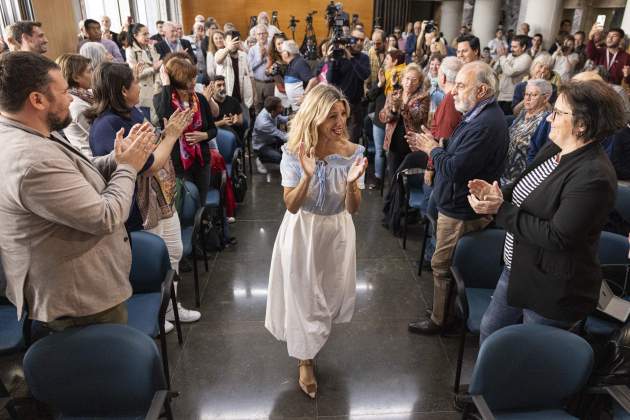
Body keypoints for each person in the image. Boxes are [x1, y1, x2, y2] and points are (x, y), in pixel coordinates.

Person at [0, 52, 155, 327]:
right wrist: (129, 167)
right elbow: (105, 216)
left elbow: (73, 173)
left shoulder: (28, 131)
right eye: (63, 91)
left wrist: (117, 159)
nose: (72, 98)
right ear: (37, 100)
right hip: (78, 296)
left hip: (80, 285)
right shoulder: (30, 160)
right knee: (107, 365)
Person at [470, 80, 625, 343]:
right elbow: (526, 188)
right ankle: (494, 384)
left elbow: (558, 236)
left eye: (558, 113)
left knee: (531, 356)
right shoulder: (556, 147)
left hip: (551, 286)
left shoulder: (593, 175)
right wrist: (498, 194)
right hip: (519, 267)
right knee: (490, 330)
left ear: (582, 124)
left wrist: (500, 209)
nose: (550, 118)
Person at [265, 84, 368, 399]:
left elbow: (353, 208)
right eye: (331, 116)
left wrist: (351, 185)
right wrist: (308, 176)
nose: (339, 123)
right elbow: (292, 205)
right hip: (303, 232)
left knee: (326, 293)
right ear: (314, 117)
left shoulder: (354, 153)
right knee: (302, 295)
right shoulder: (294, 153)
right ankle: (305, 360)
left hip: (337, 231)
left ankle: (312, 341)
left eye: (342, 114)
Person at [87, 62, 201, 329]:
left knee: (173, 251)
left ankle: (173, 306)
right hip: (140, 205)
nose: (141, 86)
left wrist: (164, 133)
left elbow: (151, 146)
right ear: (124, 90)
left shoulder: (131, 111)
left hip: (160, 196)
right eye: (136, 82)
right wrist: (171, 136)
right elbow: (147, 164)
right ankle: (159, 313)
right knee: (155, 260)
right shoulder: (106, 125)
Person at [406, 61, 508, 334]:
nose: (453, 92)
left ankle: (441, 320)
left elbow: (454, 169)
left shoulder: (486, 124)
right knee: (446, 263)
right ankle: (444, 311)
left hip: (460, 208)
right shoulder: (477, 115)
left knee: (443, 264)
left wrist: (432, 150)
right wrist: (436, 143)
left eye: (462, 86)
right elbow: (455, 150)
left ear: (483, 90)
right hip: (453, 201)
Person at [379, 63, 429, 174]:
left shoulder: (423, 97)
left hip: (411, 145)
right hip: (393, 142)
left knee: (407, 178)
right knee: (393, 175)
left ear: (419, 82)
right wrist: (393, 110)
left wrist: (402, 106)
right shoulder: (393, 94)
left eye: (414, 80)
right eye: (407, 79)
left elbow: (419, 117)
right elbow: (382, 117)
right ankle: (394, 192)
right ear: (402, 79)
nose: (409, 83)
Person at [501, 79, 552, 185]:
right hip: (504, 172)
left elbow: (539, 155)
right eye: (526, 94)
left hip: (520, 179)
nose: (527, 99)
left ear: (545, 98)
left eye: (533, 95)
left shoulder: (546, 121)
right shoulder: (523, 113)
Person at [367, 49, 406, 189]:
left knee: (391, 154)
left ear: (395, 62)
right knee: (380, 152)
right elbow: (370, 97)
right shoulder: (384, 77)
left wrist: (395, 85)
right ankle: (378, 178)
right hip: (379, 120)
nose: (384, 63)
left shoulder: (404, 80)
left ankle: (391, 183)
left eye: (387, 59)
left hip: (395, 123)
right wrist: (380, 84)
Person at [326, 29, 370, 144]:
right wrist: (331, 61)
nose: (359, 42)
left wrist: (351, 58)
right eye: (356, 39)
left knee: (352, 140)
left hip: (355, 106)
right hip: (339, 105)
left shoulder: (364, 58)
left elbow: (364, 75)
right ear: (349, 40)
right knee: (336, 138)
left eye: (362, 40)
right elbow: (330, 79)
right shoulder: (339, 56)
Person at [57, 54, 95, 158]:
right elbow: (97, 133)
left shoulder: (85, 93)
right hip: (94, 157)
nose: (93, 74)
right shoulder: (75, 104)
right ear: (75, 77)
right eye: (89, 71)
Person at [125, 23, 162, 122]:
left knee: (160, 119)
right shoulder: (130, 51)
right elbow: (135, 74)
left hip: (157, 87)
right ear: (135, 35)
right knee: (150, 121)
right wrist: (153, 68)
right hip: (144, 91)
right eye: (144, 34)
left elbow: (158, 64)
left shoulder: (150, 47)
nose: (147, 37)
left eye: (148, 34)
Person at [215, 30, 254, 110]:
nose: (233, 44)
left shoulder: (244, 55)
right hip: (226, 100)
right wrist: (228, 48)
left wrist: (254, 94)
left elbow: (251, 76)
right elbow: (218, 60)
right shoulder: (221, 52)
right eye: (230, 41)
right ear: (225, 42)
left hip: (243, 101)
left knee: (245, 122)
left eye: (235, 41)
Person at [495, 35, 532, 115]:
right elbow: (497, 70)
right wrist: (499, 58)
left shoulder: (526, 58)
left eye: (515, 47)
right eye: (511, 46)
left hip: (511, 98)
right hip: (501, 95)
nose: (511, 49)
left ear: (523, 47)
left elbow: (510, 72)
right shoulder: (510, 55)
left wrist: (502, 57)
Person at [252, 96, 288, 168]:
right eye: (280, 107)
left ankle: (275, 150)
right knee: (279, 158)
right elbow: (282, 136)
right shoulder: (264, 123)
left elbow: (282, 119)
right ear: (273, 111)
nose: (282, 108)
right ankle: (260, 159)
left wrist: (295, 116)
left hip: (271, 139)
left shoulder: (270, 110)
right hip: (261, 146)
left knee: (286, 150)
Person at [248, 24, 275, 114]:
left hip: (271, 83)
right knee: (258, 107)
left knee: (271, 108)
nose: (261, 36)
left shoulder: (272, 47)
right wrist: (260, 57)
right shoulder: (252, 50)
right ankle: (258, 127)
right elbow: (249, 67)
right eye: (259, 34)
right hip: (257, 83)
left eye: (263, 33)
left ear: (267, 34)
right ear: (255, 36)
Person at [211, 75, 245, 145]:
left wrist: (235, 120)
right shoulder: (209, 103)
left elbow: (241, 121)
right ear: (213, 87)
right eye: (219, 85)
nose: (222, 88)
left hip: (234, 136)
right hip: (214, 138)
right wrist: (222, 122)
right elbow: (206, 127)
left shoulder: (233, 101)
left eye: (224, 85)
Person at [280, 40, 313, 111]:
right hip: (298, 108)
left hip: (305, 108)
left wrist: (304, 96)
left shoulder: (299, 63)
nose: (281, 54)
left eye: (281, 52)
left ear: (286, 53)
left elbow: (313, 80)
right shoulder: (291, 63)